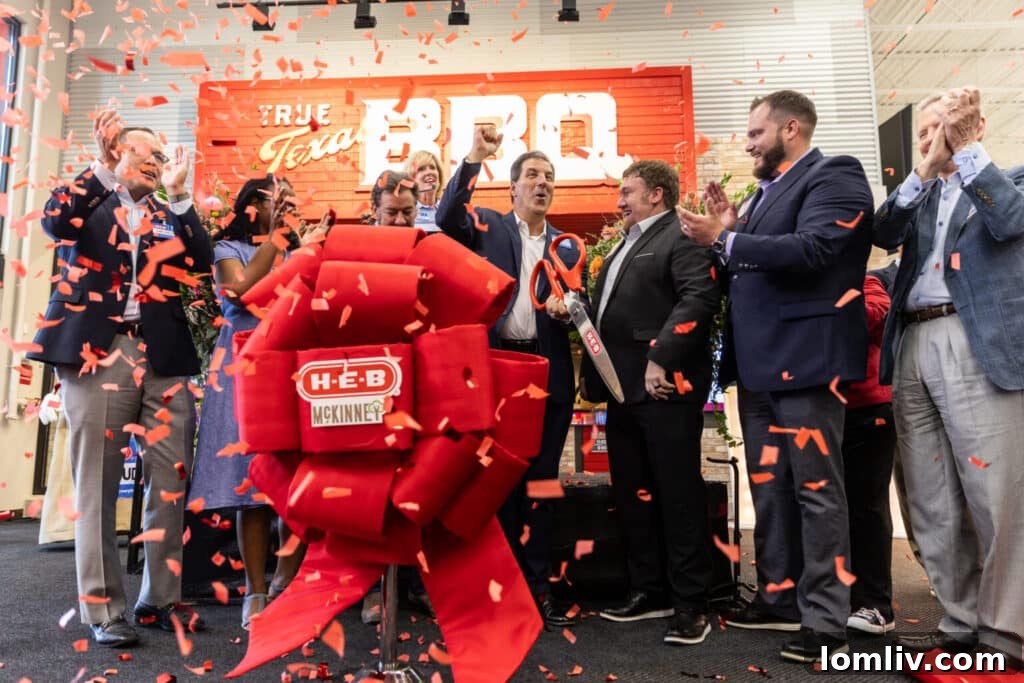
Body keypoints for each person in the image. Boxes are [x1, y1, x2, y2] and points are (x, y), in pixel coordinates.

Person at [678, 89, 873, 663]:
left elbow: (814, 250)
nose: (748, 144)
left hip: (808, 362)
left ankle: (826, 620)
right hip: (759, 367)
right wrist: (732, 230)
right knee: (771, 489)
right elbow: (749, 265)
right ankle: (778, 596)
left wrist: (726, 238)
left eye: (756, 133)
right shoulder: (763, 196)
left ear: (791, 128)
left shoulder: (835, 173)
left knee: (816, 492)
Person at [26, 110, 214, 647]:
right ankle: (105, 609)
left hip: (164, 357)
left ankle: (159, 599)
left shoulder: (166, 213)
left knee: (170, 480)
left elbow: (201, 263)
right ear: (118, 154)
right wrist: (100, 172)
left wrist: (181, 198)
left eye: (161, 156)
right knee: (98, 483)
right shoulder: (89, 201)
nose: (156, 163)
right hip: (99, 353)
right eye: (146, 154)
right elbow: (55, 222)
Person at [873, 87, 1024, 668]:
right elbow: (882, 233)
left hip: (972, 340)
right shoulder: (919, 195)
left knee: (994, 494)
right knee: (930, 497)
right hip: (913, 340)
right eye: (923, 133)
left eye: (943, 128)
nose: (930, 141)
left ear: (976, 127)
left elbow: (1010, 221)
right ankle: (959, 621)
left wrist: (966, 153)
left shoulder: (1008, 180)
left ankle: (1006, 632)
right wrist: (923, 172)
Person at [435, 124, 583, 629]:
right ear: (514, 187)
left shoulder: (567, 247)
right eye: (533, 175)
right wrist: (474, 158)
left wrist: (570, 310)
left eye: (549, 177)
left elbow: (580, 304)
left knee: (542, 484)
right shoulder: (489, 227)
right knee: (494, 483)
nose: (542, 183)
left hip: (547, 377)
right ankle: (496, 592)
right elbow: (445, 217)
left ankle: (537, 588)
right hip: (497, 374)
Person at [582, 160, 720, 646]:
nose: (619, 201)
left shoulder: (681, 234)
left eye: (628, 191)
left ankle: (691, 605)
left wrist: (661, 357)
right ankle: (650, 591)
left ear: (657, 194)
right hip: (622, 392)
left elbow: (698, 298)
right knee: (633, 494)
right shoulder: (625, 243)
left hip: (664, 388)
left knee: (678, 496)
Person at [188, 175, 325, 629]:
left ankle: (286, 581)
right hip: (244, 368)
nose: (284, 208)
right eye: (275, 201)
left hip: (292, 367)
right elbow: (241, 292)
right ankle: (255, 590)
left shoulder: (298, 249)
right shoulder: (227, 249)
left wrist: (310, 252)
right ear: (251, 206)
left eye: (289, 202)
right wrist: (281, 242)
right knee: (252, 484)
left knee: (294, 479)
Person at [359, 169, 434, 625]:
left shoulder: (430, 249)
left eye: (409, 212)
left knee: (419, 487)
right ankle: (373, 590)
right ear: (374, 211)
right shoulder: (353, 250)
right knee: (371, 492)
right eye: (392, 213)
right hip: (369, 385)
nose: (402, 221)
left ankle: (419, 585)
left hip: (421, 383)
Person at [841, 274, 897, 636]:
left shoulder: (865, 281)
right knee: (835, 509)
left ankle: (876, 604)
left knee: (867, 507)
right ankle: (842, 596)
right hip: (824, 411)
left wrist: (828, 304)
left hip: (868, 409)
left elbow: (878, 313)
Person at [404, 150, 444, 232]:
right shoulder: (404, 211)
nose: (429, 172)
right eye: (421, 169)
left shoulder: (448, 209)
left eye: (432, 168)